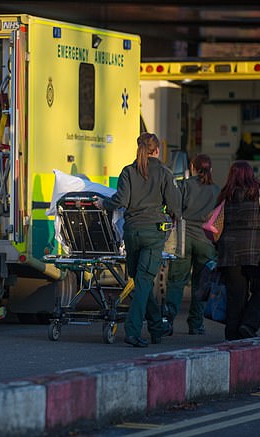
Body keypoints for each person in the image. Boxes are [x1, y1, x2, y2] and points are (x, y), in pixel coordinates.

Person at [96, 132, 181, 347]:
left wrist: (103, 203)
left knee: (139, 279)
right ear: (157, 150)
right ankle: (132, 331)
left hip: (132, 232)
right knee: (143, 281)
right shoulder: (164, 172)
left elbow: (121, 200)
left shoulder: (128, 171)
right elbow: (175, 207)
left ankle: (156, 327)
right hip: (153, 233)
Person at [215, 161, 260, 340]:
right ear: (250, 174)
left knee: (236, 295)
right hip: (255, 251)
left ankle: (232, 333)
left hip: (229, 252)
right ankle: (249, 324)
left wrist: (218, 248)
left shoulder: (224, 195)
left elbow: (215, 225)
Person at [165, 154, 220, 336]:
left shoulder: (185, 186)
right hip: (206, 242)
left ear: (192, 167)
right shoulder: (216, 190)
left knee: (176, 282)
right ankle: (195, 325)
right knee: (201, 284)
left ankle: (168, 322)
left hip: (184, 240)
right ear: (211, 169)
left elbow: (174, 208)